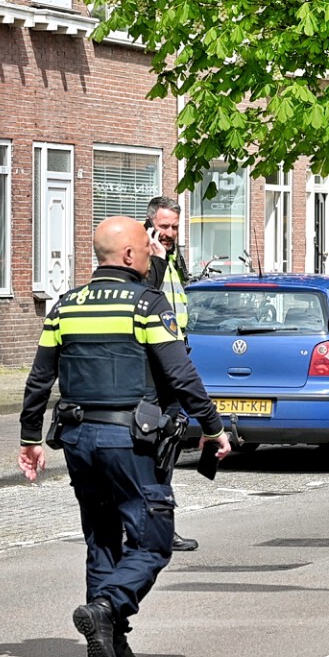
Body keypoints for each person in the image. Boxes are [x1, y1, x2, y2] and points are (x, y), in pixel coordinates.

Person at [17, 216, 232, 657]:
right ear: (130, 256)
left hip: (77, 440)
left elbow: (40, 379)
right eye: (146, 247)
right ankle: (110, 607)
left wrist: (30, 438)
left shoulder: (64, 307)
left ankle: (114, 646)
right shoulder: (147, 305)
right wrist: (213, 426)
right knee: (153, 541)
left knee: (101, 539)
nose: (155, 251)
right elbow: (179, 374)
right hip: (130, 442)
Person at [143, 195, 199, 553]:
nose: (170, 233)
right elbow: (146, 296)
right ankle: (147, 527)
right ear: (149, 225)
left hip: (173, 364)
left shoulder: (173, 259)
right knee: (153, 448)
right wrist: (159, 261)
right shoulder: (145, 260)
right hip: (151, 369)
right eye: (164, 226)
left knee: (169, 447)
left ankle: (163, 526)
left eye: (175, 227)